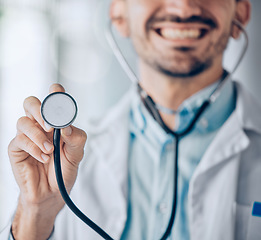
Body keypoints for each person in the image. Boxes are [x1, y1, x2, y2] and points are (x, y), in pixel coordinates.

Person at [1, 0, 260, 239]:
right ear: (119, 14)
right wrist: (35, 214)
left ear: (240, 12)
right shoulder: (63, 160)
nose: (183, 7)